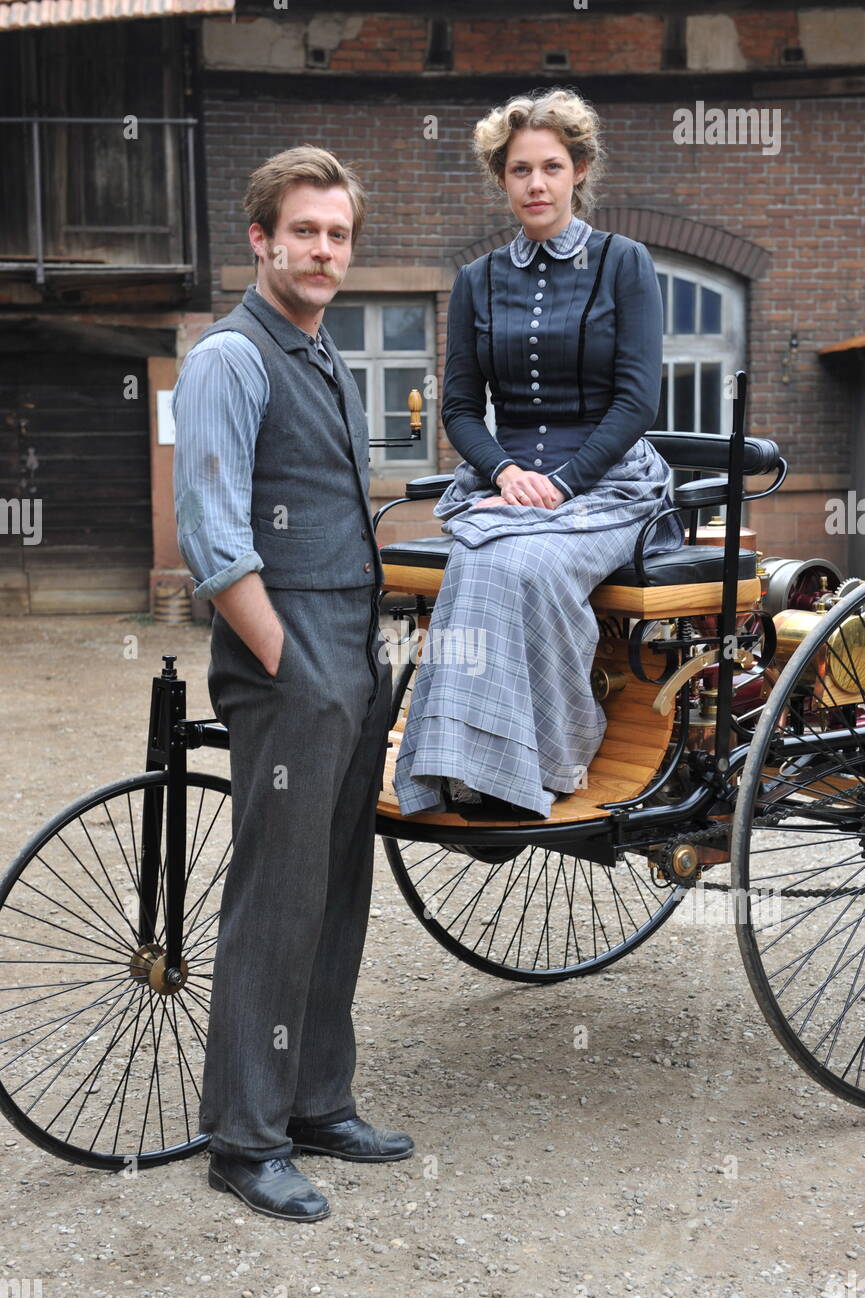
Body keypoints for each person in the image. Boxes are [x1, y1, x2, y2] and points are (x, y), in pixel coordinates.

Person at [171, 146, 413, 1224]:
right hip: (292, 660)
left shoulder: (319, 355)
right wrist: (294, 666)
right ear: (260, 238)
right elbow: (214, 544)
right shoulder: (230, 358)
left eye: (337, 235)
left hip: (348, 650)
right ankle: (246, 1137)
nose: (322, 250)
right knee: (275, 900)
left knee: (337, 889)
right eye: (303, 231)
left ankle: (318, 1099)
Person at [393, 88, 685, 822]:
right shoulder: (476, 280)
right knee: (483, 557)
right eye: (519, 169)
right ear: (501, 179)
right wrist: (505, 472)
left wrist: (558, 484)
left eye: (551, 167)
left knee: (514, 563)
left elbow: (635, 403)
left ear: (578, 169)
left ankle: (550, 753)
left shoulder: (625, 263)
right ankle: (462, 765)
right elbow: (459, 409)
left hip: (609, 485)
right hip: (504, 488)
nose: (535, 184)